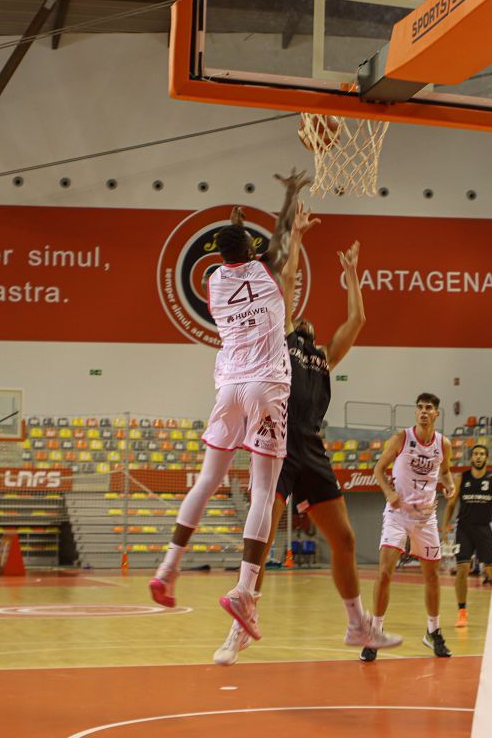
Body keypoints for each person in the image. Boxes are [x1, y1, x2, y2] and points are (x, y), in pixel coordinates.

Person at [213, 233, 402, 665]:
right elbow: (290, 278)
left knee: (345, 539)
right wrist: (295, 236)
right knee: (260, 540)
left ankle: (357, 623)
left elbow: (357, 321)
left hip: (313, 449)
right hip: (275, 442)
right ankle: (237, 629)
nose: (306, 317)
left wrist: (352, 276)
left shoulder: (322, 355)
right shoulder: (278, 340)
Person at [149, 173, 319, 641]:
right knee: (263, 489)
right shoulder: (268, 272)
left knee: (208, 478)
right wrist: (288, 196)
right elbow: (281, 239)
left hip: (228, 385)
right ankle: (245, 590)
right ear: (252, 250)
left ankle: (167, 570)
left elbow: (240, 250)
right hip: (266, 385)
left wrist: (235, 226)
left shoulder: (213, 282)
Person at [361, 394, 453, 662]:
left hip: (426, 518)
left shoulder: (442, 444)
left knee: (433, 576)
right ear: (416, 412)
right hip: (398, 514)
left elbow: (445, 472)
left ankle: (433, 630)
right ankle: (375, 631)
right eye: (420, 408)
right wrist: (389, 492)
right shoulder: (402, 438)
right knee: (385, 571)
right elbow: (378, 469)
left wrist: (450, 484)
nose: (423, 412)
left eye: (429, 408)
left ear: (437, 414)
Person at [442, 444, 492, 627]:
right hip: (464, 529)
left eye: (482, 454)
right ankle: (462, 611)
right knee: (462, 569)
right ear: (471, 458)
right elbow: (450, 504)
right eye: (476, 454)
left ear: (486, 458)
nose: (478, 457)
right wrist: (445, 528)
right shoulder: (461, 478)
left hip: (484, 529)